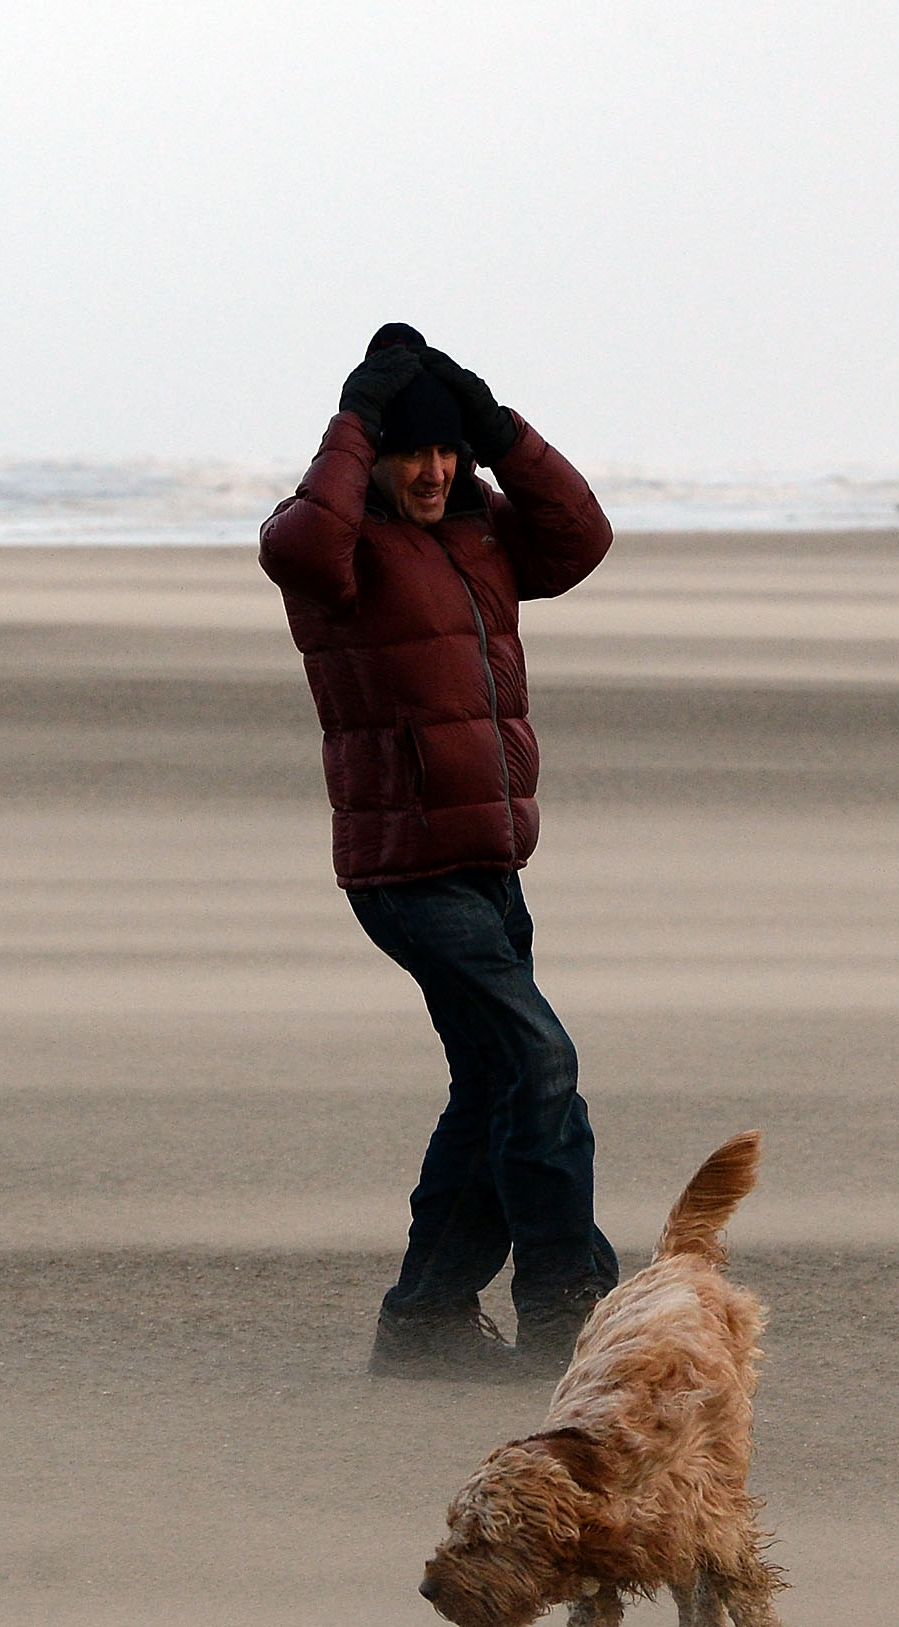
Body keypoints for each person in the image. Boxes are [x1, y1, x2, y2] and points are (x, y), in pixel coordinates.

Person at [258, 324, 619, 1381]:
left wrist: (495, 422)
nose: (433, 470)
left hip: (492, 862)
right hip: (405, 871)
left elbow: (582, 536)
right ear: (372, 456)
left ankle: (423, 1323)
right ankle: (568, 1315)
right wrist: (359, 414)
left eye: (446, 450)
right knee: (541, 1063)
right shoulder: (334, 553)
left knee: (494, 1082)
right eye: (413, 451)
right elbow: (303, 539)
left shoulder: (483, 534)